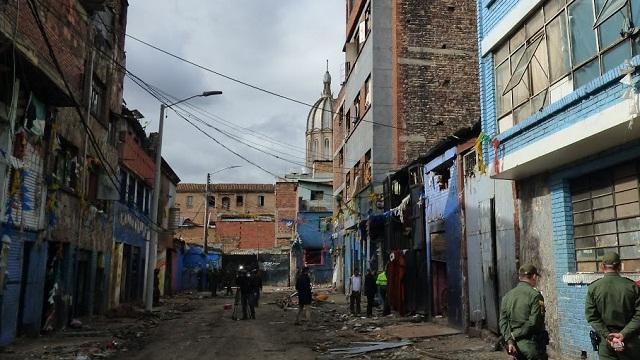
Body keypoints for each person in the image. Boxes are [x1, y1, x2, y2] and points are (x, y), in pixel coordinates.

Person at [585, 252, 640, 360]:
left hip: (606, 343)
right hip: (630, 342)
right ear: (620, 266)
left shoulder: (594, 288)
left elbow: (592, 317)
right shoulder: (632, 287)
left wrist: (608, 335)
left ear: (602, 267)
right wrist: (623, 334)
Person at [498, 264, 548, 360]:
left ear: (520, 277)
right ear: (534, 276)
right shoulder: (535, 296)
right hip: (532, 346)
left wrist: (509, 341)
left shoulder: (507, 296)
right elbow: (534, 322)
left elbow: (503, 322)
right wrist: (516, 334)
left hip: (514, 347)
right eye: (536, 277)